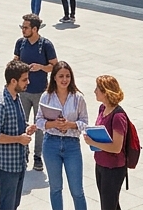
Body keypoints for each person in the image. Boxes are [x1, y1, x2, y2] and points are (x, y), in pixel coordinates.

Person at [37, 61, 89, 210]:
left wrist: (70, 124)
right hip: (51, 144)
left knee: (77, 191)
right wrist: (53, 124)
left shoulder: (78, 98)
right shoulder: (46, 96)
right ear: (54, 77)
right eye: (61, 76)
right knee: (55, 189)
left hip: (72, 145)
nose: (64, 79)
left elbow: (85, 122)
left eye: (67, 76)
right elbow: (39, 121)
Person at [0, 60, 34, 210]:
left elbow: (15, 125)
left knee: (14, 204)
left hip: (19, 161)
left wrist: (27, 128)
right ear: (13, 81)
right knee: (7, 205)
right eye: (24, 79)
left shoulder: (16, 98)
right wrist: (19, 139)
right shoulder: (0, 104)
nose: (28, 82)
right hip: (6, 166)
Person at [14, 13, 58, 172]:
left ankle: (37, 156)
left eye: (25, 28)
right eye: (22, 27)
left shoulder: (45, 45)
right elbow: (15, 60)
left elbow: (55, 66)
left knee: (39, 125)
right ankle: (22, 152)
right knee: (21, 122)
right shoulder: (21, 43)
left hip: (40, 91)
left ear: (35, 29)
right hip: (23, 92)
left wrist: (41, 67)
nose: (23, 30)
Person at [86, 75, 130, 210]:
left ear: (106, 92)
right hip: (101, 164)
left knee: (108, 206)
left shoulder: (118, 116)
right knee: (112, 205)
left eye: (97, 89)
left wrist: (93, 142)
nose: (94, 91)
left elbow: (117, 147)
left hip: (113, 169)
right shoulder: (102, 108)